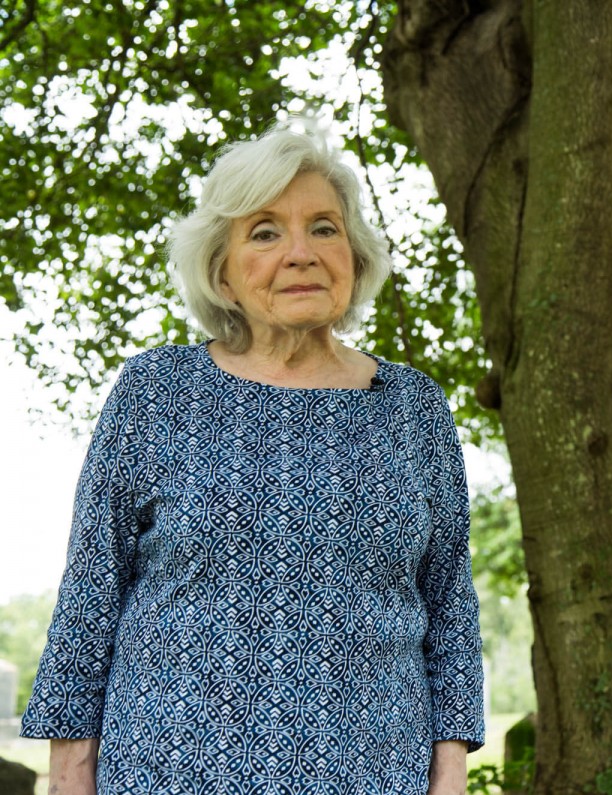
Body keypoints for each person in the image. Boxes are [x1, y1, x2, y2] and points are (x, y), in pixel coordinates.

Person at [21, 122, 485, 795]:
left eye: (324, 228)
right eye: (265, 232)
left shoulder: (413, 406)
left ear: (353, 256)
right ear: (223, 272)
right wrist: (70, 776)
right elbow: (92, 594)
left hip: (375, 776)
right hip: (167, 773)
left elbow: (449, 604)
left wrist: (450, 774)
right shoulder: (157, 392)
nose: (300, 252)